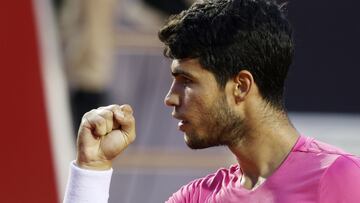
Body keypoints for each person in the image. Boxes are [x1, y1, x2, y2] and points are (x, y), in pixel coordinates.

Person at [63, 0, 360, 202]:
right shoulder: (197, 196)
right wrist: (92, 168)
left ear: (241, 86)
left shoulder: (339, 176)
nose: (171, 98)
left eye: (187, 81)